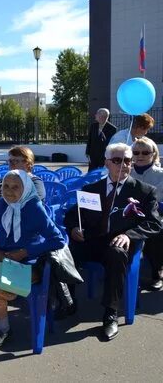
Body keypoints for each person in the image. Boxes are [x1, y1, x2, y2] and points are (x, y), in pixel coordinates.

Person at [65, 143, 161, 341]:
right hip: (92, 241)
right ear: (107, 163)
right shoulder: (91, 189)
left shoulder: (144, 191)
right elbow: (73, 216)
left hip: (120, 243)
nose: (124, 165)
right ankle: (69, 301)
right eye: (117, 160)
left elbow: (154, 223)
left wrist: (130, 235)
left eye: (128, 160)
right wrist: (74, 228)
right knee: (65, 252)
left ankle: (111, 314)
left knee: (116, 254)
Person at [0, 170, 66, 348]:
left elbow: (58, 240)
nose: (9, 191)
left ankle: (3, 329)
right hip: (2, 259)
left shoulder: (34, 207)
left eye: (15, 187)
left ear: (26, 188)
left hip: (28, 264)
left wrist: (25, 252)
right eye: (5, 186)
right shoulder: (1, 205)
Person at [130, 137, 163, 290]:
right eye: (136, 152)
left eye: (145, 152)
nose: (140, 156)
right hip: (129, 215)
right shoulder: (125, 172)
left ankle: (157, 273)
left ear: (153, 154)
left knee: (156, 234)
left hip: (156, 216)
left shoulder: (161, 174)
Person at [0, 146, 46, 217]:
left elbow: (34, 204)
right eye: (10, 161)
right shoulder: (5, 180)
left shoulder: (35, 182)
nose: (12, 164)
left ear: (28, 163)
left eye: (16, 161)